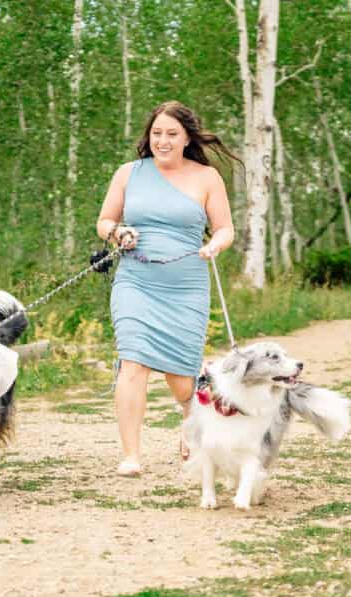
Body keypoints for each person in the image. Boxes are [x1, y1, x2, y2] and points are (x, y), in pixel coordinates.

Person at [96, 101, 237, 476]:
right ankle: (131, 455)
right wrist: (117, 231)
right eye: (157, 133)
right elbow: (105, 219)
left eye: (171, 134)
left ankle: (192, 419)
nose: (163, 140)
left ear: (187, 137)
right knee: (133, 360)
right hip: (135, 279)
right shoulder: (129, 173)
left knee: (180, 375)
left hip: (187, 285)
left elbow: (225, 227)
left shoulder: (207, 178)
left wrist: (216, 244)